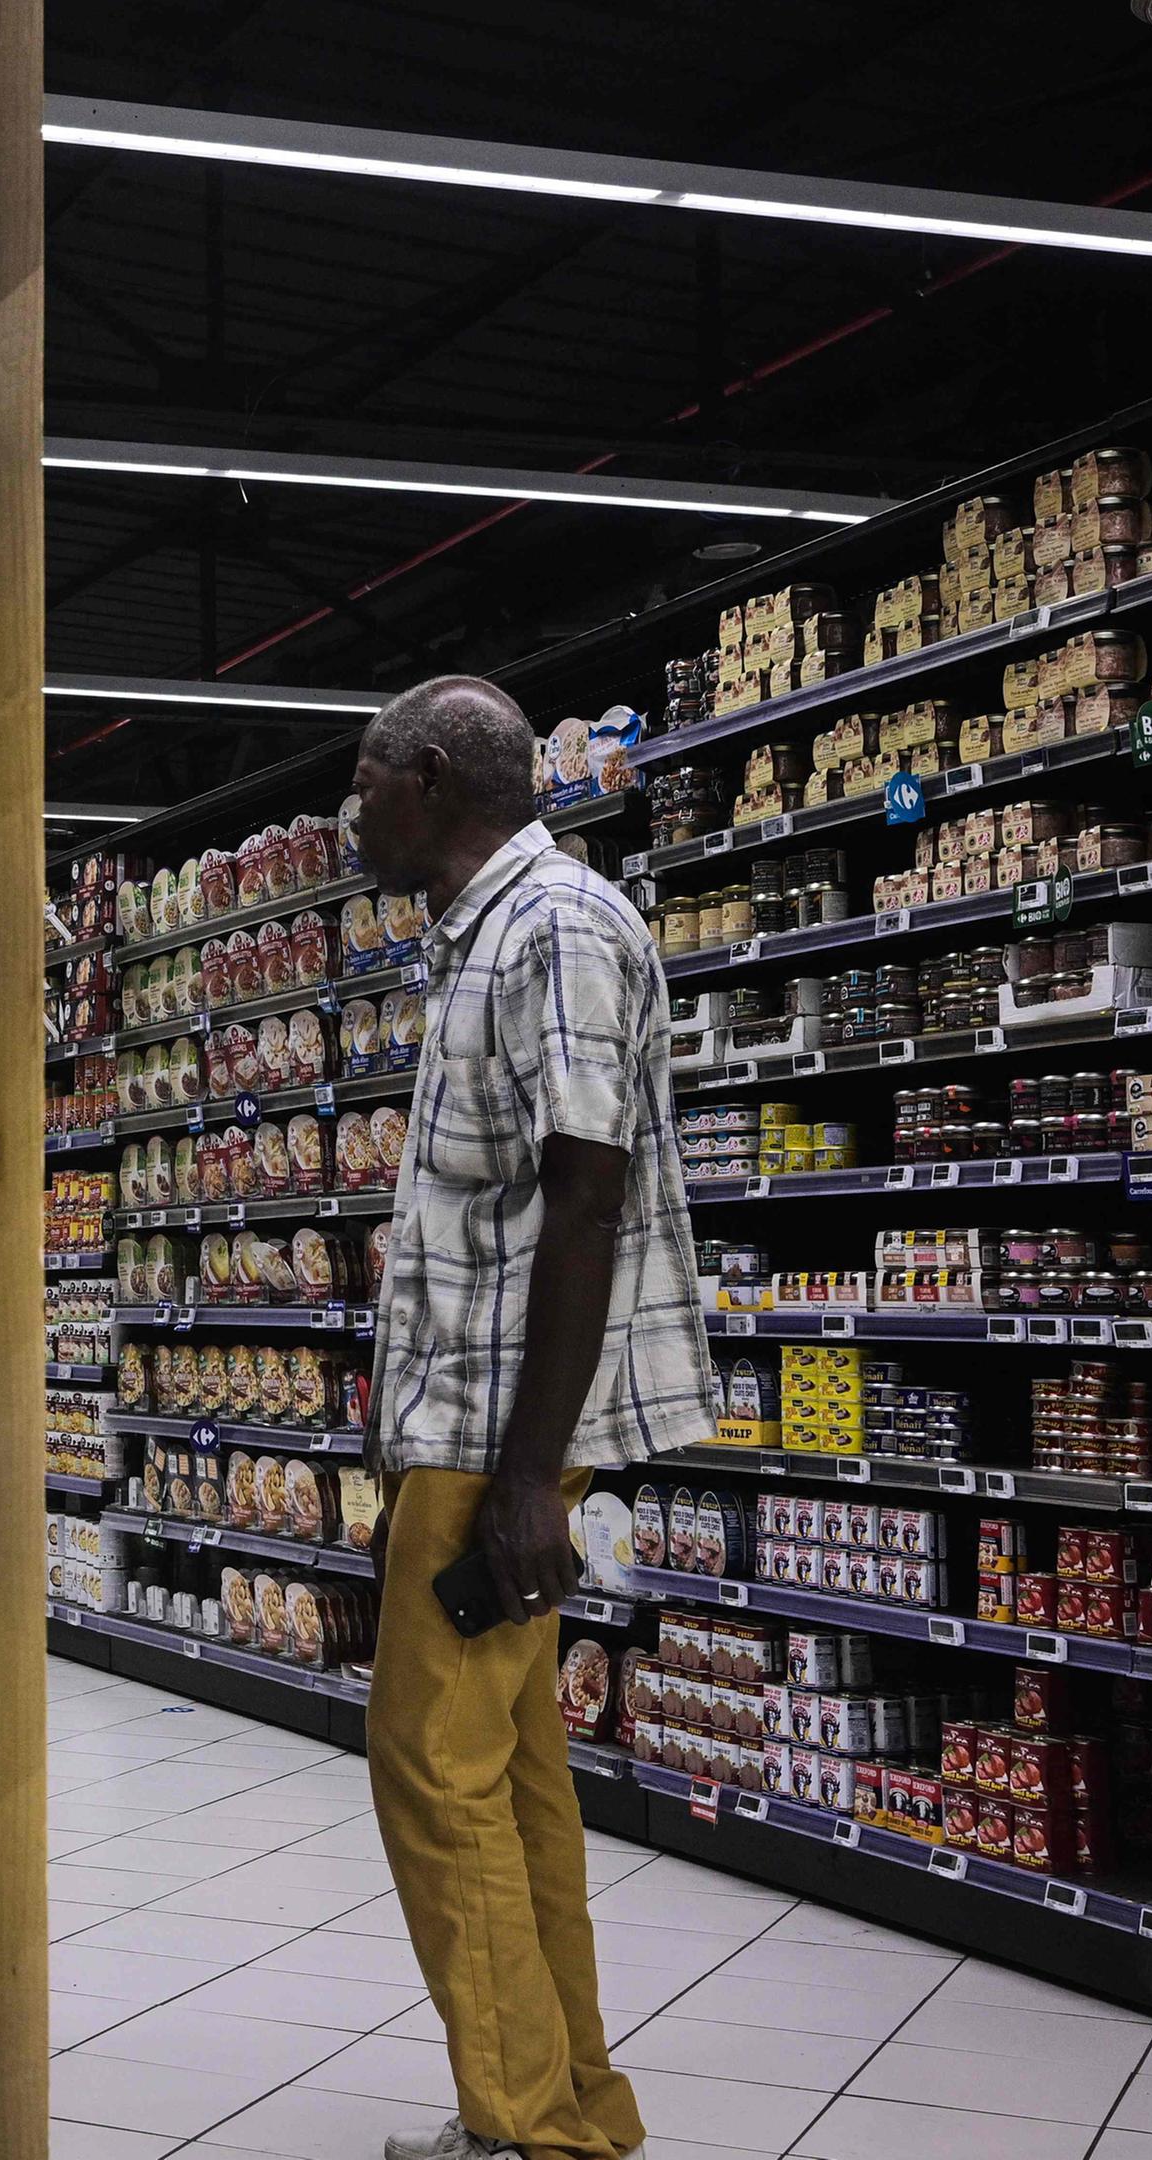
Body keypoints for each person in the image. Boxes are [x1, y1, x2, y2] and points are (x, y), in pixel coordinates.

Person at [347, 676, 714, 2160]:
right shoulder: (489, 933)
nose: (349, 809)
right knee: (511, 1780)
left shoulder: (553, 928)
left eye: (363, 780)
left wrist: (521, 1486)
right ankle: (568, 2105)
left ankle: (524, 2128)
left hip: (495, 1437)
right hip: (484, 1426)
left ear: (430, 779)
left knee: (433, 1776)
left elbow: (586, 1200)